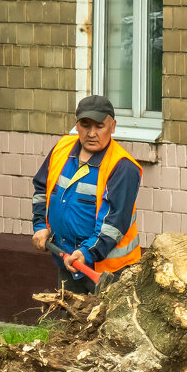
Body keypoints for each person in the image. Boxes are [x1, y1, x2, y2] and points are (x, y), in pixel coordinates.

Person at [31, 94, 142, 294]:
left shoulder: (122, 167)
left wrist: (87, 253)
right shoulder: (61, 149)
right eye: (85, 125)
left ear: (113, 126)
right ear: (77, 125)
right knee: (72, 321)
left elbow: (114, 224)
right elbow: (42, 189)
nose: (91, 133)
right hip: (68, 261)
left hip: (109, 272)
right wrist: (40, 225)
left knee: (102, 323)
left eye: (99, 126)